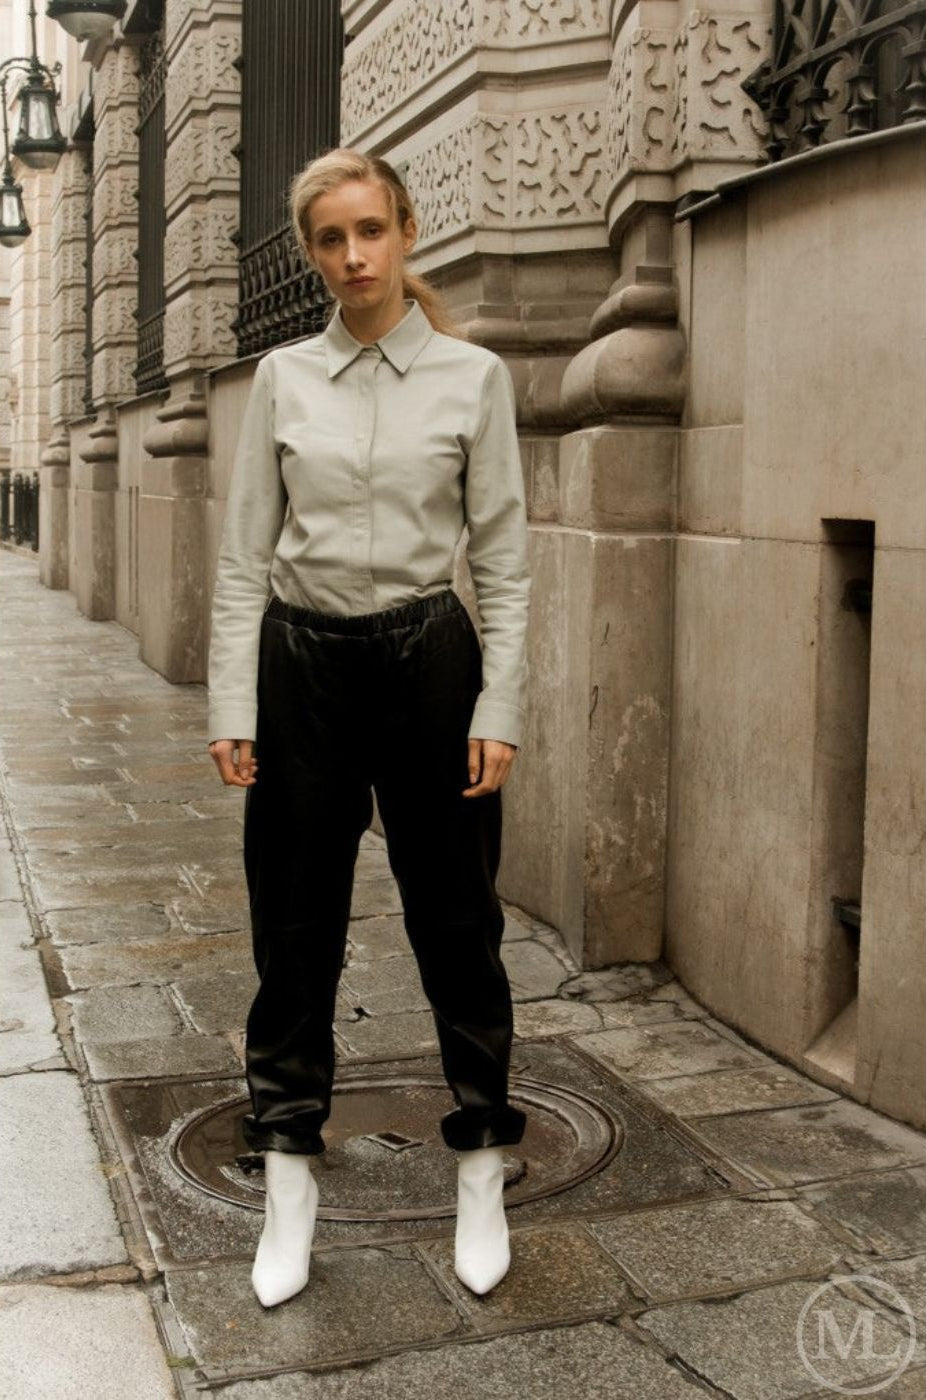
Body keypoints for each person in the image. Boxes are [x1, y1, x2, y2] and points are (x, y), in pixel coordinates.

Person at [206, 147, 531, 1309]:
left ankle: (481, 1161)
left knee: (457, 921)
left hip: (429, 660)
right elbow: (244, 556)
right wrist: (232, 701)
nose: (353, 256)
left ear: (404, 231)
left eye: (370, 231)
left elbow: (503, 560)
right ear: (310, 252)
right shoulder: (283, 377)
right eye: (331, 238)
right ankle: (288, 1172)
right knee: (293, 929)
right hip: (302, 667)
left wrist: (498, 703)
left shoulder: (472, 378)